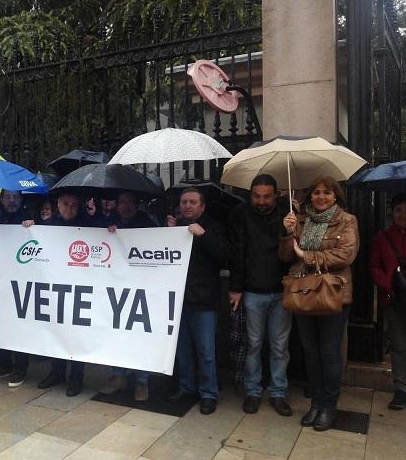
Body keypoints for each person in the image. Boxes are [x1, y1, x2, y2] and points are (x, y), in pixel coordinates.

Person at [281, 176, 358, 431]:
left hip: (332, 293)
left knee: (329, 352)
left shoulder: (347, 220)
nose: (321, 197)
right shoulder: (300, 220)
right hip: (303, 291)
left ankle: (329, 406)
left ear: (335, 196)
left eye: (326, 192)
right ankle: (315, 402)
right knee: (310, 352)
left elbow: (345, 255)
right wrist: (288, 232)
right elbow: (284, 256)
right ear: (309, 196)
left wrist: (307, 255)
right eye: (316, 193)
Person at [25, 191, 105, 396]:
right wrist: (27, 228)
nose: (69, 208)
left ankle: (76, 378)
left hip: (79, 290)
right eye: (65, 204)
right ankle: (57, 372)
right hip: (55, 289)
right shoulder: (46, 226)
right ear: (57, 205)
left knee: (76, 334)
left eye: (73, 205)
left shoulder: (88, 224)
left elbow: (104, 235)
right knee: (56, 332)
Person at [228, 174, 293, 417]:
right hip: (253, 290)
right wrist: (236, 287)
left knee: (280, 347)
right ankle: (253, 391)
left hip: (281, 290)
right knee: (253, 345)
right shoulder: (240, 214)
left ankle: (278, 392)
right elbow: (237, 254)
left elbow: (293, 254)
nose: (262, 201)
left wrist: (290, 230)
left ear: (276, 195)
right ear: (251, 194)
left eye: (267, 196)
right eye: (257, 196)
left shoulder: (288, 215)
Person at [165, 188, 232, 414]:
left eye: (192, 202)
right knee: (182, 349)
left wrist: (204, 235)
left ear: (202, 206)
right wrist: (169, 234)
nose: (187, 206)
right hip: (179, 300)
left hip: (204, 301)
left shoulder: (212, 226)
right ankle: (187, 386)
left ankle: (209, 393)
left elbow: (225, 255)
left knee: (205, 351)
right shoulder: (175, 227)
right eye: (184, 202)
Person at [100, 191, 157, 401]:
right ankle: (118, 376)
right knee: (117, 333)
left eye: (130, 202)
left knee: (139, 334)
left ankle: (142, 381)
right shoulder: (110, 221)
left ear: (136, 204)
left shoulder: (147, 223)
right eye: (122, 202)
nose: (125, 206)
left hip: (140, 287)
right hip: (116, 286)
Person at [0, 190, 31, 388]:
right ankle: (4, 363)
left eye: (15, 197)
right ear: (1, 200)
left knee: (20, 325)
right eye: (7, 197)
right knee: (0, 324)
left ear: (21, 199)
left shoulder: (28, 219)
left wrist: (31, 227)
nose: (11, 201)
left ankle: (20, 368)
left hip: (22, 282)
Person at [369, 193, 406, 410]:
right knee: (399, 344)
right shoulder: (383, 237)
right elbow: (374, 266)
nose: (403, 214)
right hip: (394, 299)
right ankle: (401, 389)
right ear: (392, 213)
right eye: (398, 210)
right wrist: (388, 283)